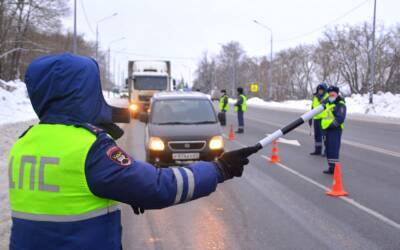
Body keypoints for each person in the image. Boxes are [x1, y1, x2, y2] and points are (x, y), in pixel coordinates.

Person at [7, 53, 258, 250]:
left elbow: (65, 193)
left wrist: (121, 186)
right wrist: (218, 168)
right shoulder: (90, 148)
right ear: (82, 93)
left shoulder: (25, 143)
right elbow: (160, 187)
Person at [321, 85, 346, 174]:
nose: (331, 96)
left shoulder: (340, 104)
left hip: (335, 129)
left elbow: (340, 118)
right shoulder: (327, 103)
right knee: (328, 149)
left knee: (333, 149)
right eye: (330, 94)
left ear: (337, 94)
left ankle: (335, 168)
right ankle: (331, 167)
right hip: (326, 129)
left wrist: (330, 125)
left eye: (333, 94)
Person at [309, 83, 329, 156]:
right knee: (317, 136)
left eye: (321, 90)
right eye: (319, 90)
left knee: (325, 136)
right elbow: (312, 108)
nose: (320, 91)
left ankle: (327, 151)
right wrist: (310, 117)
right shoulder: (315, 97)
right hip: (316, 119)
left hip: (324, 119)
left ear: (325, 90)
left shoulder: (328, 97)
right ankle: (318, 150)